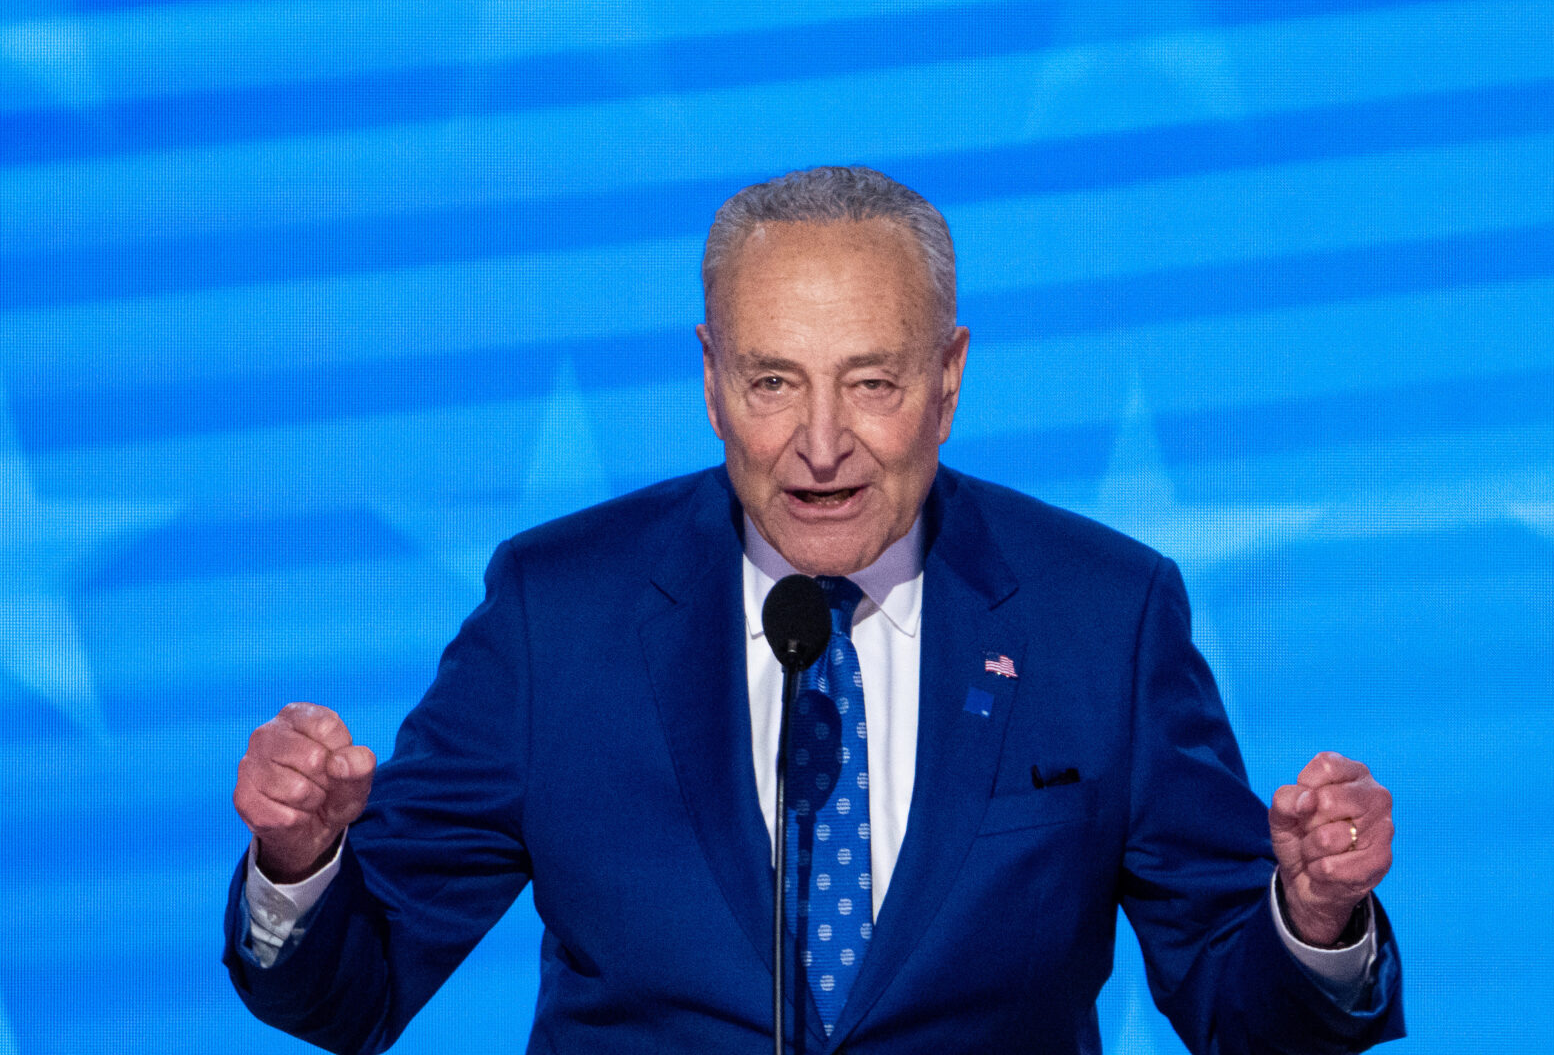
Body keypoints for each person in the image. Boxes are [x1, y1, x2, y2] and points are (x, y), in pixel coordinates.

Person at [225, 166, 1403, 1054]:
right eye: (774, 381)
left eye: (873, 384)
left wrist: (1310, 918)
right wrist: (302, 858)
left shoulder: (1103, 614)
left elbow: (1247, 1018)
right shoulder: (559, 615)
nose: (823, 447)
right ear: (710, 379)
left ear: (948, 383)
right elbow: (352, 992)